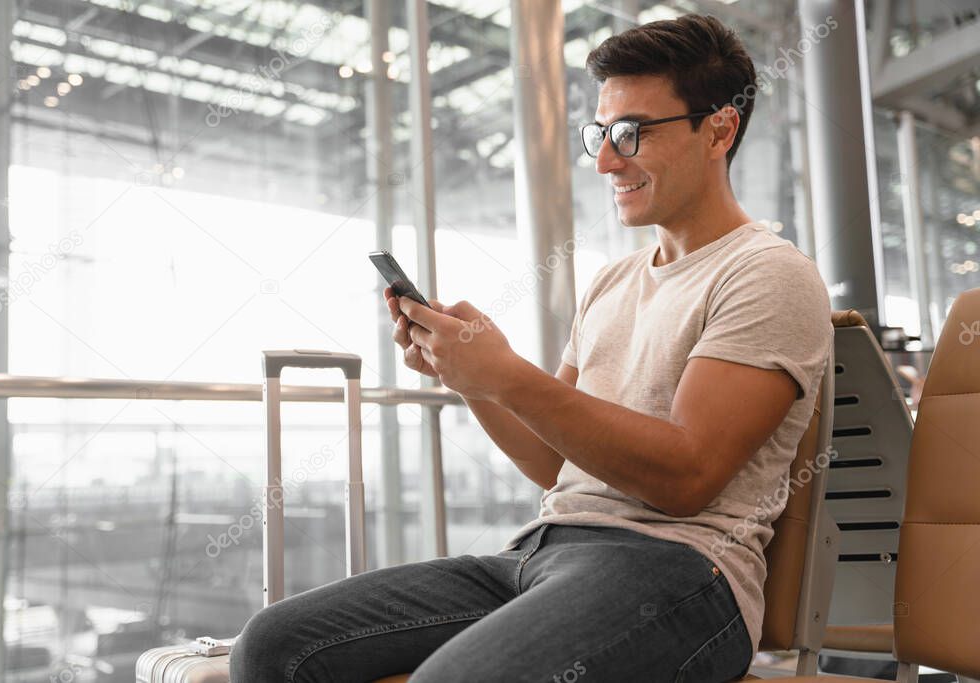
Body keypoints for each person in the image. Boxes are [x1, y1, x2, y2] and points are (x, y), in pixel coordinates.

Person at [231, 13, 831, 682]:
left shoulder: (768, 273)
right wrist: (472, 377)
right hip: (542, 552)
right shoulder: (614, 279)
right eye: (600, 134)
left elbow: (686, 477)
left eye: (631, 134)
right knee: (272, 644)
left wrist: (508, 375)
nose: (606, 160)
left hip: (682, 572)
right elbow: (554, 462)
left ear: (718, 128)